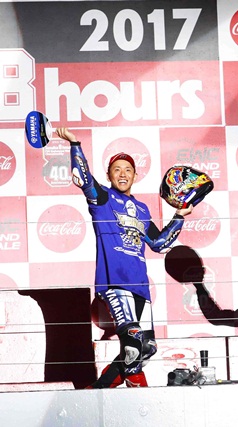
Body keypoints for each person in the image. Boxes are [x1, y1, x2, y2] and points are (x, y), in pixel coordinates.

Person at [56, 128, 194, 388]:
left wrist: (179, 216)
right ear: (109, 175)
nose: (122, 174)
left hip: (140, 286)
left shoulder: (142, 209)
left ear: (135, 176)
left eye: (128, 169)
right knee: (132, 342)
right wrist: (75, 144)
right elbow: (84, 178)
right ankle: (138, 393)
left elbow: (160, 244)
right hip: (115, 282)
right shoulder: (103, 199)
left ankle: (97, 390)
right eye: (116, 169)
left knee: (147, 347)